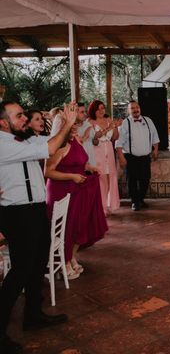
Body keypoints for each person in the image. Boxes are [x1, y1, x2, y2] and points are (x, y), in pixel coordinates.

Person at [0, 101, 77, 354]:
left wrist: (65, 128)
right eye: (19, 115)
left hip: (34, 208)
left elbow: (51, 145)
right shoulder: (3, 142)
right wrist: (66, 123)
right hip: (16, 212)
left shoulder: (24, 139)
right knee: (20, 271)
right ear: (3, 121)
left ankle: (33, 315)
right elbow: (52, 145)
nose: (24, 119)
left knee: (36, 266)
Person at [45, 124, 108, 279]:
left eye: (74, 127)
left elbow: (80, 162)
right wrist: (72, 176)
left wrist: (90, 167)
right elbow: (48, 171)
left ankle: (71, 257)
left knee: (79, 225)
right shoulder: (59, 147)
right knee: (67, 227)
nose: (74, 129)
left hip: (79, 189)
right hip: (62, 191)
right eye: (70, 127)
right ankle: (63, 262)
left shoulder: (76, 142)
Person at [115, 101, 159, 211]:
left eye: (137, 107)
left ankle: (140, 199)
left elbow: (154, 136)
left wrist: (156, 149)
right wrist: (121, 157)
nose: (135, 110)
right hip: (131, 157)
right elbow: (119, 142)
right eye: (132, 108)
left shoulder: (148, 121)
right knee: (132, 180)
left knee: (145, 179)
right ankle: (135, 202)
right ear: (128, 111)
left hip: (145, 157)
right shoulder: (126, 123)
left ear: (140, 108)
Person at [88, 100, 121, 215]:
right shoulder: (90, 122)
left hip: (109, 150)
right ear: (94, 110)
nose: (102, 111)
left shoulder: (108, 120)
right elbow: (94, 137)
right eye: (99, 109)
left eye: (103, 108)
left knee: (110, 177)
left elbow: (115, 137)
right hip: (97, 151)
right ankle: (101, 208)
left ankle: (109, 205)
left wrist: (115, 127)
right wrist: (108, 128)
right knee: (101, 179)